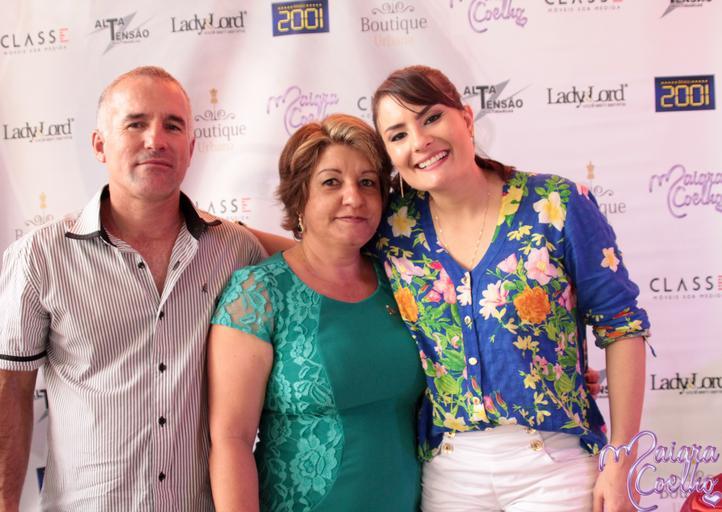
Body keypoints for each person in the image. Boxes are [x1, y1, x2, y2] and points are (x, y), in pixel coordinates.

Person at [369, 65, 650, 512]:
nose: (419, 141)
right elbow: (322, 253)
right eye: (398, 135)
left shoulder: (555, 204)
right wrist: (246, 238)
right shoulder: (391, 231)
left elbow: (623, 327)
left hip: (556, 466)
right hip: (449, 472)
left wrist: (620, 461)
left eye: (431, 117)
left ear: (466, 118)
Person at [0, 66, 264, 511]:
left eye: (173, 126)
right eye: (136, 123)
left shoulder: (238, 252)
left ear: (191, 148)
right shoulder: (40, 257)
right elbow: (9, 393)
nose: (155, 140)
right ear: (99, 144)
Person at [207, 114, 425, 512]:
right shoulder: (258, 293)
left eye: (367, 182)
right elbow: (231, 439)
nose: (353, 197)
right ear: (299, 199)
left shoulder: (400, 282)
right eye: (331, 182)